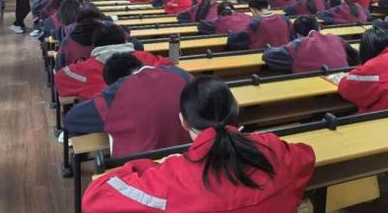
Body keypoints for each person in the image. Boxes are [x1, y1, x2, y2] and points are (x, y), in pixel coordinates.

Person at [82, 76, 315, 213]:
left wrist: (148, 166)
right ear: (236, 110)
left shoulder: (171, 179)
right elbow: (306, 155)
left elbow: (94, 198)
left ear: (183, 120)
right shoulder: (272, 149)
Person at [64, 53, 192, 157]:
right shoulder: (180, 74)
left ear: (114, 82)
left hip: (141, 169)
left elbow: (71, 120)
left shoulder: (116, 94)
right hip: (189, 155)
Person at [55, 24, 170, 99]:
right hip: (148, 117)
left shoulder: (83, 69)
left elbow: (60, 79)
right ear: (124, 40)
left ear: (95, 45)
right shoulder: (146, 58)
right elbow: (170, 69)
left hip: (104, 121)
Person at [262, 15, 358, 72]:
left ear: (298, 34)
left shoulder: (299, 44)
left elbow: (267, 56)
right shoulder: (336, 39)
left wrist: (270, 48)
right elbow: (355, 56)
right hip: (340, 84)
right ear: (318, 28)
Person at [227, 0, 292, 50]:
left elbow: (237, 40)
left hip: (265, 56)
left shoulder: (256, 23)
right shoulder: (285, 19)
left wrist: (231, 34)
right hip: (285, 55)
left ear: (252, 10)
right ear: (269, 7)